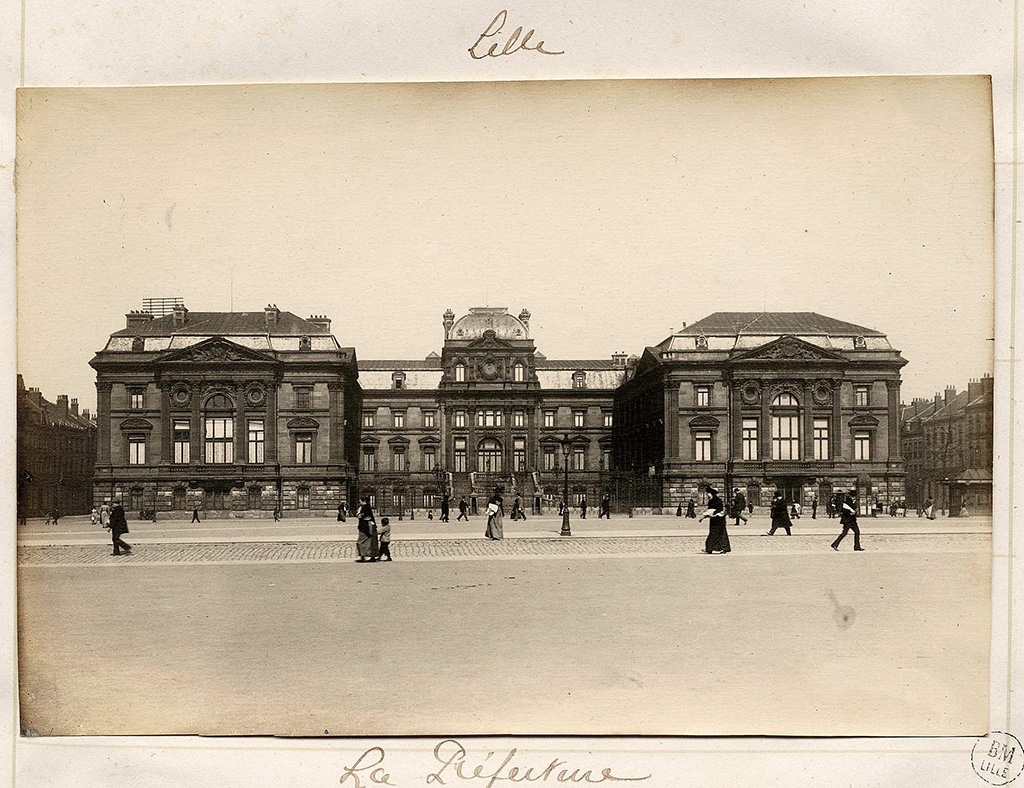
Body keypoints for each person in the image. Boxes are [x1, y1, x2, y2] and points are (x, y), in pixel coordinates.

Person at [699, 487, 730, 554]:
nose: (707, 495)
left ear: (711, 494)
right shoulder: (711, 501)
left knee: (721, 534)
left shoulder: (717, 500)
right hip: (714, 520)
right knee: (713, 533)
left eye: (708, 493)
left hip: (719, 520)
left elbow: (720, 509)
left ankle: (723, 548)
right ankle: (709, 548)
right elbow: (709, 511)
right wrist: (704, 517)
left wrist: (713, 514)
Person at [356, 496, 379, 562]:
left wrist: (359, 514)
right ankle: (371, 556)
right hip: (368, 526)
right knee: (371, 542)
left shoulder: (364, 508)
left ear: (364, 501)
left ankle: (364, 556)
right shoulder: (365, 507)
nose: (359, 502)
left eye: (360, 501)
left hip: (366, 527)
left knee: (362, 542)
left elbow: (362, 516)